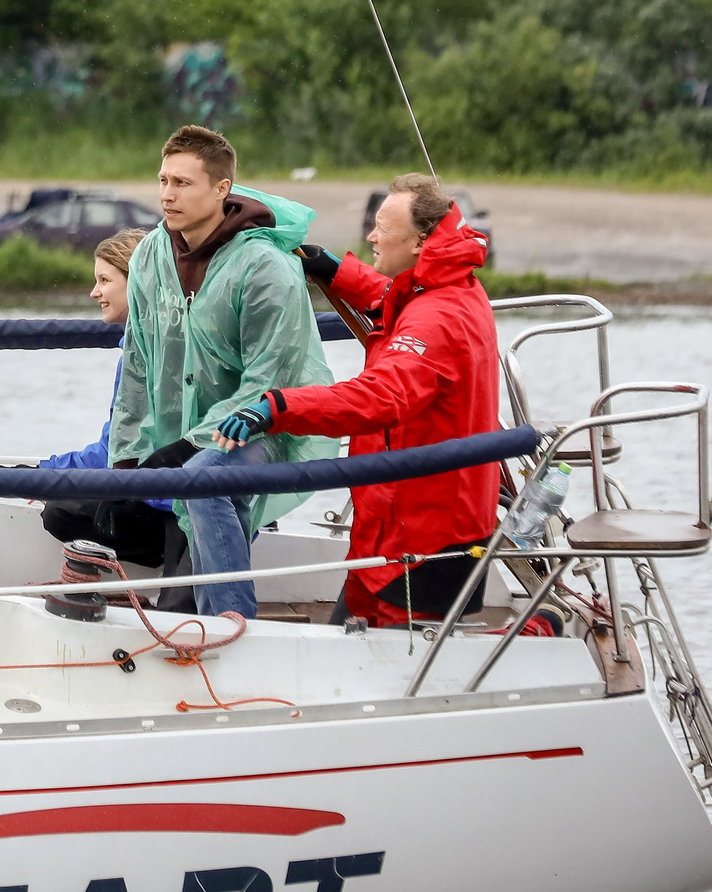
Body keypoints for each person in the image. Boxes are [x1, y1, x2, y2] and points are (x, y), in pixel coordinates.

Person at [213, 171, 502, 628]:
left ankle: (541, 627)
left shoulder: (438, 317)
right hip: (401, 522)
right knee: (351, 635)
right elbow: (395, 294)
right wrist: (334, 269)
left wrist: (277, 407)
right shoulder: (442, 285)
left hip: (422, 536)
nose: (370, 235)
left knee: (398, 663)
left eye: (383, 228)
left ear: (421, 242)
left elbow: (380, 397)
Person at [112, 125, 335, 619]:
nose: (167, 195)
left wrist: (193, 443)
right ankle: (194, 607)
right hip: (184, 433)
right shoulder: (151, 253)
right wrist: (125, 457)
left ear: (221, 189)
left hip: (269, 423)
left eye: (183, 183)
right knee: (74, 511)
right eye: (163, 180)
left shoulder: (265, 268)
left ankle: (236, 623)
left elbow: (268, 381)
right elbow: (138, 361)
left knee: (205, 479)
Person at [32, 229, 183, 577]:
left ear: (137, 282)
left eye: (104, 279)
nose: (94, 292)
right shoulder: (167, 339)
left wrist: (41, 475)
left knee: (60, 511)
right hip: (183, 497)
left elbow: (115, 452)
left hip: (168, 505)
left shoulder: (142, 355)